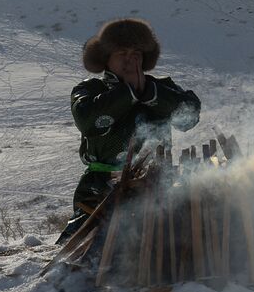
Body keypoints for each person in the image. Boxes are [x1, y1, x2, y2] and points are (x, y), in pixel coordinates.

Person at [59, 18, 201, 243]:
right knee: (90, 250)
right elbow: (87, 120)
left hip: (158, 187)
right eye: (121, 53)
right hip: (101, 190)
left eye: (136, 53)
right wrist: (129, 93)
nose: (130, 59)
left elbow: (190, 116)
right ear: (106, 58)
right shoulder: (89, 90)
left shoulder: (162, 88)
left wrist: (148, 92)